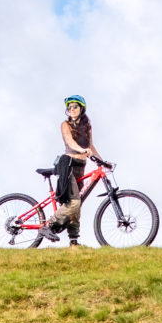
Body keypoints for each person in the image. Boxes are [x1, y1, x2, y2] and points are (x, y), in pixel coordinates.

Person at [53, 94, 108, 246]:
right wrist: (82, 149)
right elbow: (69, 142)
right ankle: (50, 225)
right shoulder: (65, 124)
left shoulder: (87, 127)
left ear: (81, 108)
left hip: (80, 167)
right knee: (74, 202)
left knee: (77, 206)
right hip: (68, 165)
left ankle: (73, 241)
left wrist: (102, 161)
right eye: (69, 107)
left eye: (74, 106)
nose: (71, 109)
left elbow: (90, 146)